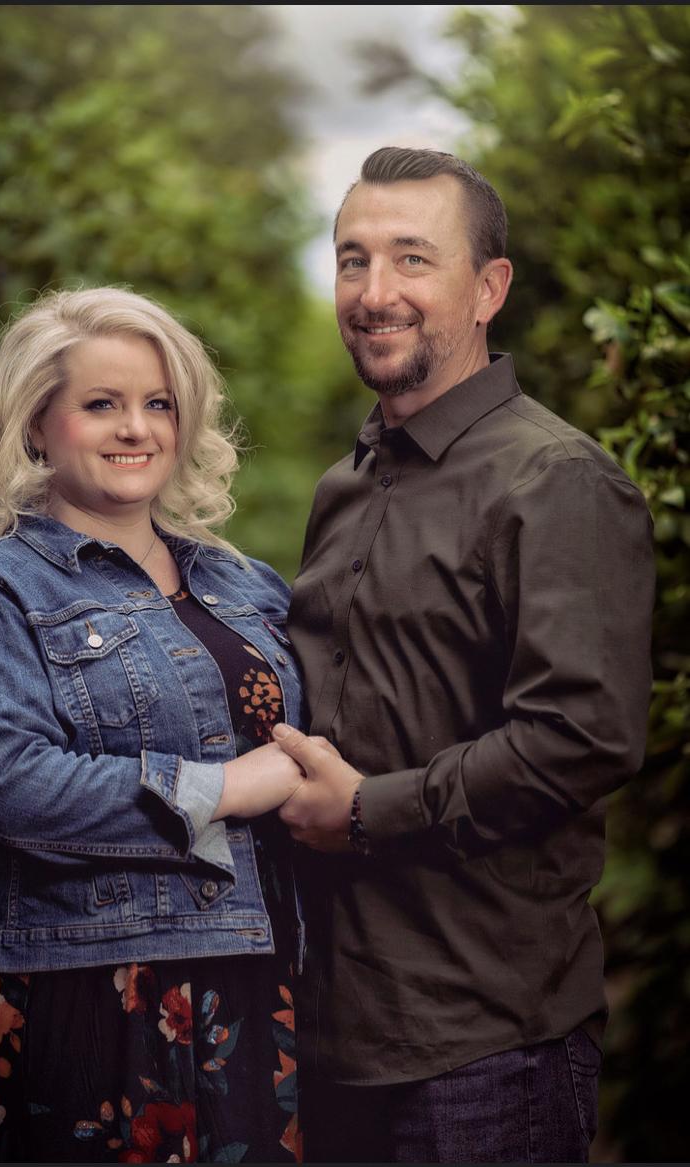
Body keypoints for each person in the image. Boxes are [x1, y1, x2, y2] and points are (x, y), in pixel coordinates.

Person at [272, 147, 655, 1163]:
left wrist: (366, 811)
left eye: (412, 259)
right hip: (329, 1033)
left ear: (489, 289)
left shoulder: (555, 481)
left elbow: (582, 736)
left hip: (483, 1051)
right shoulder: (344, 487)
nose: (374, 292)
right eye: (353, 260)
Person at [0, 286, 308, 1164]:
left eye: (158, 403)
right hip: (88, 992)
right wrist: (221, 787)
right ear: (38, 424)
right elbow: (13, 787)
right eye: (102, 403)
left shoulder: (245, 585)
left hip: (262, 977)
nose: (137, 428)